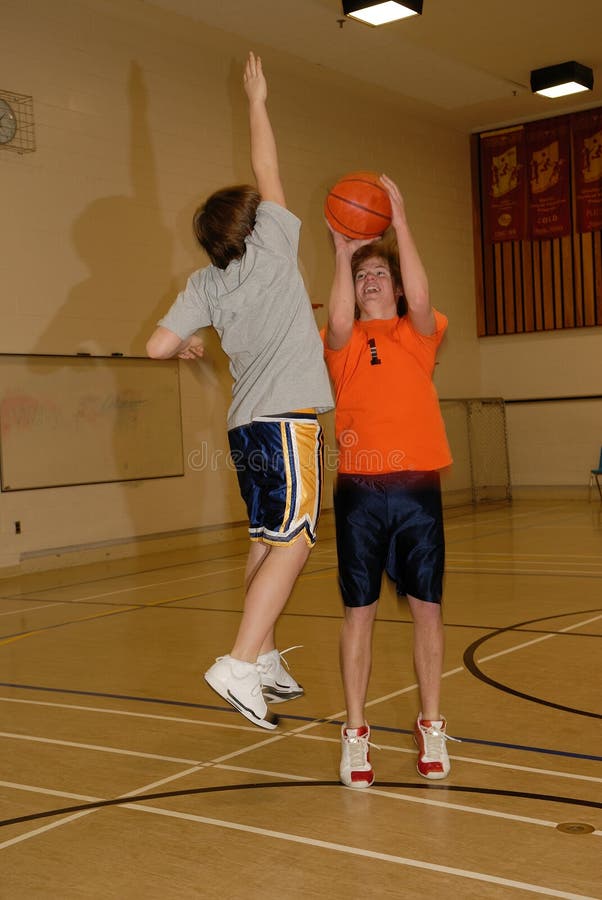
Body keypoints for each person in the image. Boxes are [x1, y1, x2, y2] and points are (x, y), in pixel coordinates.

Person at [147, 52, 333, 731]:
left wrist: (191, 341)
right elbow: (268, 168)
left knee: (264, 538)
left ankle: (263, 658)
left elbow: (156, 347)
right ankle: (238, 660)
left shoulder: (205, 284)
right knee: (296, 540)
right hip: (288, 422)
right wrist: (257, 100)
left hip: (244, 430)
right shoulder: (274, 248)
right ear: (251, 226)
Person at [323, 174, 456, 786]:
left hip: (416, 489)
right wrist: (344, 252)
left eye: (380, 275)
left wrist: (399, 224)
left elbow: (425, 300)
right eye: (361, 276)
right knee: (360, 613)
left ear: (398, 290)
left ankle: (431, 724)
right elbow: (338, 321)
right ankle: (356, 735)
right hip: (359, 492)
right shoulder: (341, 343)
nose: (370, 280)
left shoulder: (416, 335)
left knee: (427, 609)